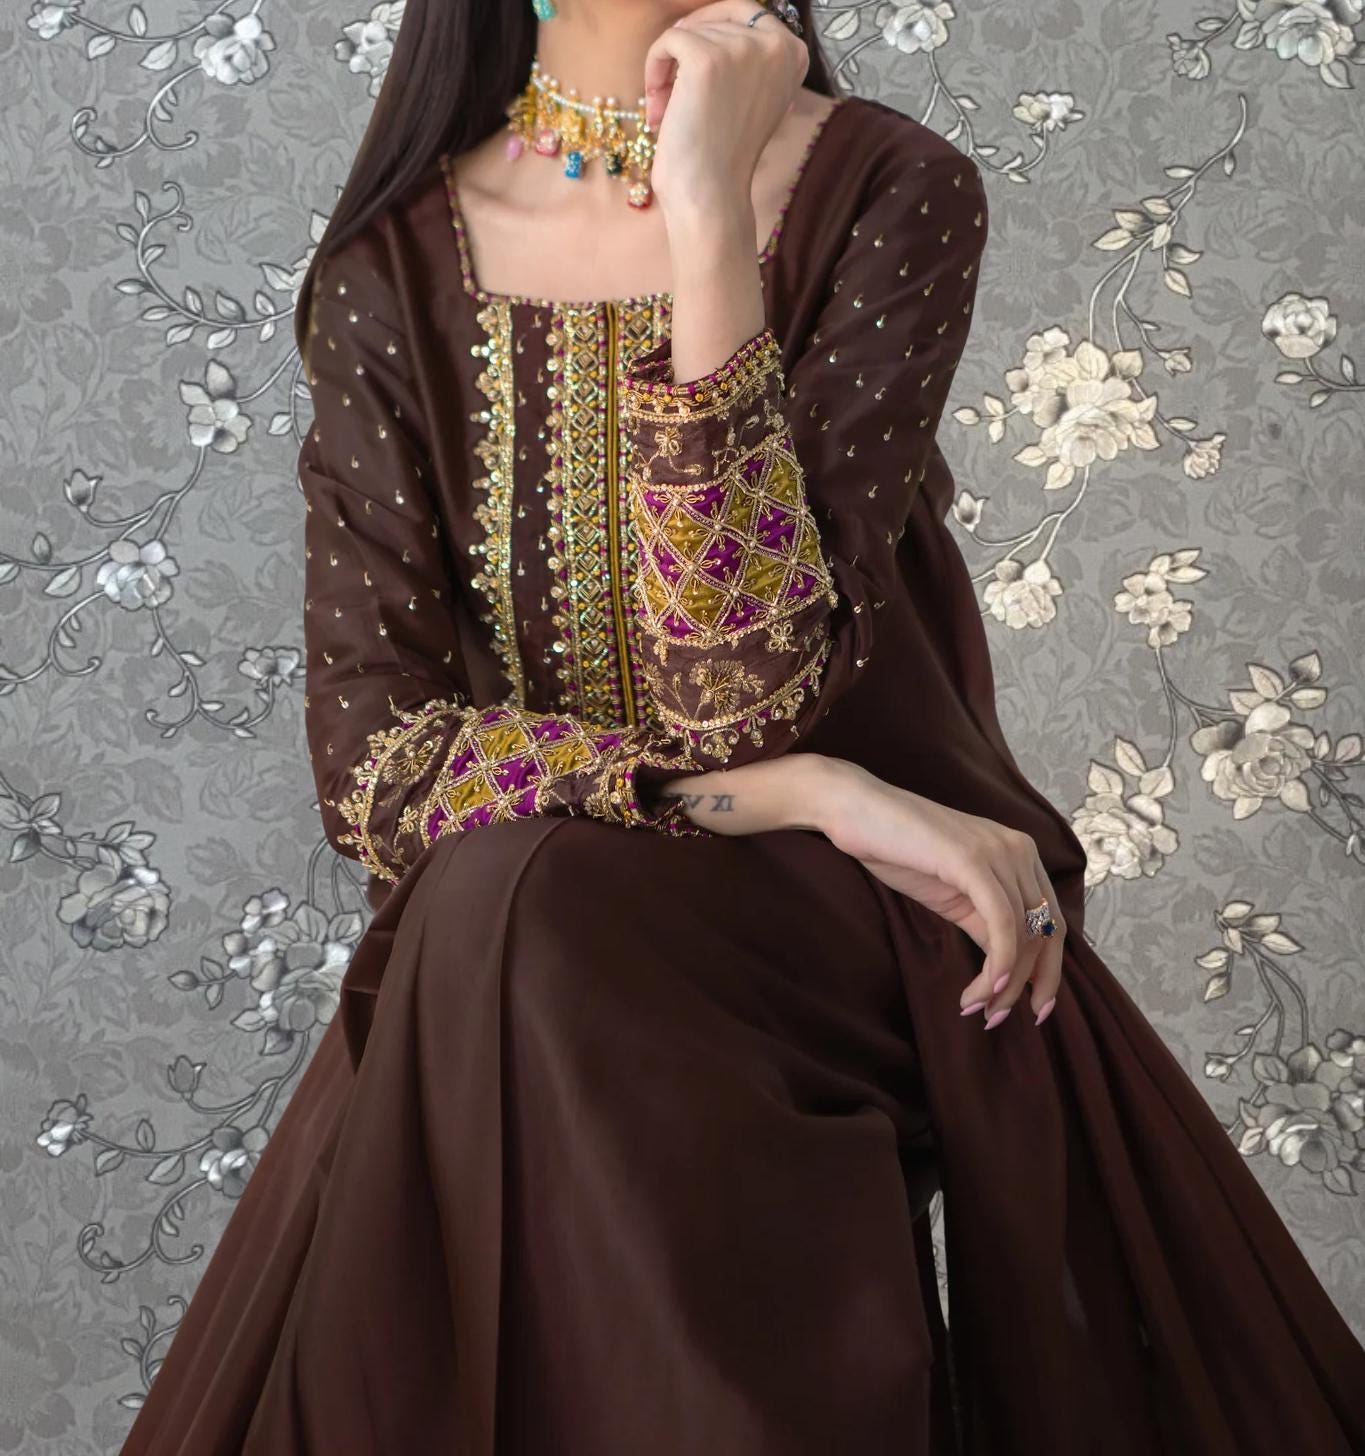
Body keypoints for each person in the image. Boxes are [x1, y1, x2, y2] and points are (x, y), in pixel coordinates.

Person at [119, 1, 1365, 1452]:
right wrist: (816, 792)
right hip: (582, 921)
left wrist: (706, 213)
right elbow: (379, 775)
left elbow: (740, 684)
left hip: (843, 925)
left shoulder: (886, 189)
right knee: (511, 901)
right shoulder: (389, 272)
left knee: (512, 911)